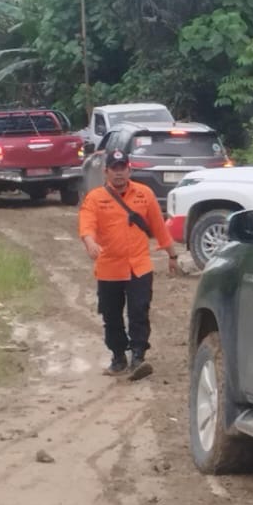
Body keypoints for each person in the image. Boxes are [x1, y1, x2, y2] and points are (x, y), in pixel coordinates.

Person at [78, 149, 180, 380]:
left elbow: (159, 228)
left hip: (139, 267)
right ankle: (118, 358)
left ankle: (138, 357)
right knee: (111, 316)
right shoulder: (95, 198)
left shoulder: (145, 194)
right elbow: (87, 224)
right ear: (106, 172)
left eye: (122, 168)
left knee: (139, 312)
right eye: (114, 169)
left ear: (129, 170)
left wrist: (172, 256)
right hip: (109, 269)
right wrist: (90, 242)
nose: (119, 173)